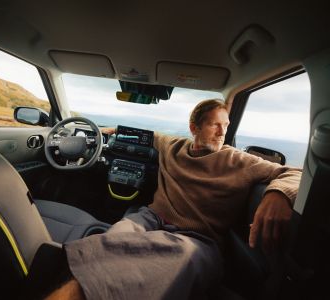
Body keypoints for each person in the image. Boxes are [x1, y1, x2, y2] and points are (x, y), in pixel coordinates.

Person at [45, 99, 301, 300]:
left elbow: (294, 174)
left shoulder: (239, 160)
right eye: (215, 124)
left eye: (226, 124)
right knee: (116, 235)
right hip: (150, 218)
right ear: (194, 128)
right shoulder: (173, 146)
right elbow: (149, 135)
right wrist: (108, 132)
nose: (223, 132)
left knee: (175, 257)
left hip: (198, 240)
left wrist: (277, 194)